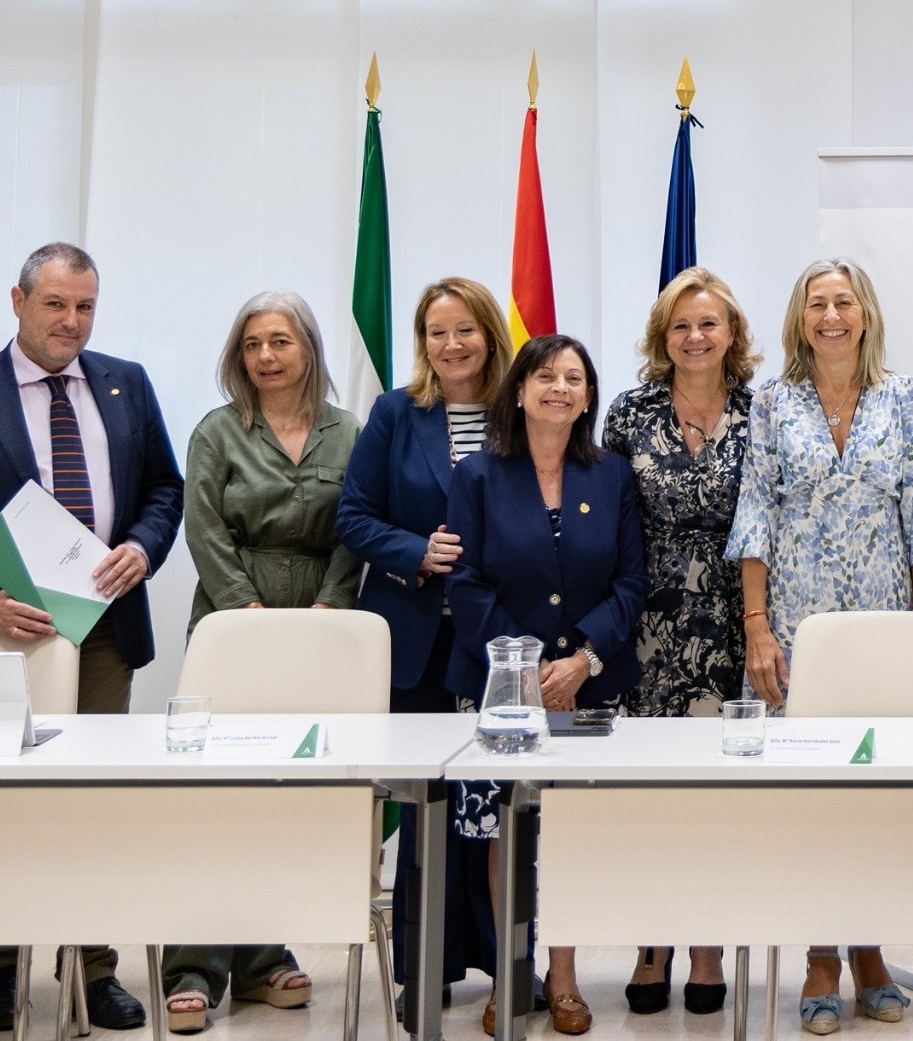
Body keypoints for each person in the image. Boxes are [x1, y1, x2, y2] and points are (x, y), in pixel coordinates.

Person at [0, 241, 181, 1033]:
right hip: (7, 636)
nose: (72, 321)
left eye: (85, 306)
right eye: (55, 304)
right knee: (2, 804)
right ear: (17, 302)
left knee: (93, 802)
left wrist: (143, 547)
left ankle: (92, 967)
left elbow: (164, 489)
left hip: (103, 629)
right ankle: (0, 967)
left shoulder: (126, 384)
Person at [726, 259, 913, 1037]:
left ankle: (870, 948)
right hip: (795, 623)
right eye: (816, 304)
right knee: (810, 794)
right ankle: (821, 954)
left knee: (875, 794)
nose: (830, 316)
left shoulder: (905, 397)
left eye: (843, 303)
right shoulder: (772, 401)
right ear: (800, 319)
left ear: (865, 315)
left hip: (883, 622)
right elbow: (755, 510)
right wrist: (756, 625)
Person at [163, 291, 364, 1031]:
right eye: (252, 344)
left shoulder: (349, 431)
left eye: (281, 341)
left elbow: (357, 524)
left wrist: (332, 603)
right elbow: (202, 526)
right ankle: (192, 965)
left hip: (321, 620)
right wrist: (242, 608)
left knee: (287, 792)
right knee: (215, 792)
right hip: (230, 619)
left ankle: (262, 957)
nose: (266, 356)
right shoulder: (217, 431)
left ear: (308, 348)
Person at [447, 333, 648, 1039]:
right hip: (501, 689)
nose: (559, 388)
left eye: (574, 378)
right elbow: (466, 583)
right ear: (520, 389)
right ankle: (511, 975)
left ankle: (564, 979)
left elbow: (631, 581)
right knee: (506, 829)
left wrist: (584, 660)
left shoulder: (612, 474)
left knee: (572, 830)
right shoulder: (478, 474)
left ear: (588, 397)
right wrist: (527, 668)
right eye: (545, 376)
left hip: (590, 685)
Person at [335, 277, 514, 1020]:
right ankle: (423, 969)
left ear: (490, 334)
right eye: (437, 332)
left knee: (500, 807)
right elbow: (353, 516)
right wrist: (416, 551)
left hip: (499, 643)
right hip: (417, 640)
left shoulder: (521, 408)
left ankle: (507, 966)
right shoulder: (395, 412)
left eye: (465, 329)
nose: (451, 345)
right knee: (427, 809)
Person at [603, 266, 761, 1017]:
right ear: (661, 338)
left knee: (718, 795)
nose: (695, 336)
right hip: (650, 625)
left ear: (732, 333)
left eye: (708, 323)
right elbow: (609, 521)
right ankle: (651, 942)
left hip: (736, 624)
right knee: (650, 794)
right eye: (680, 325)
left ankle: (707, 945)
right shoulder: (628, 413)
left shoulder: (764, 411)